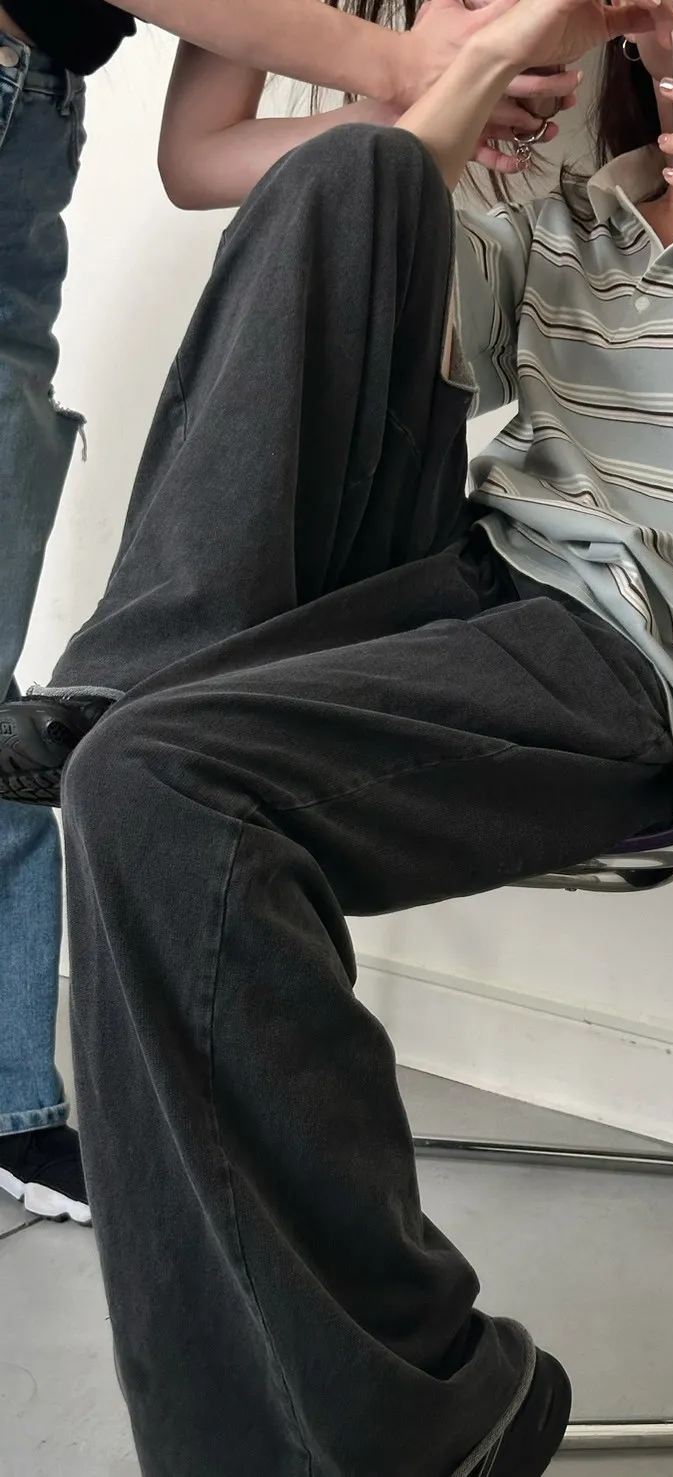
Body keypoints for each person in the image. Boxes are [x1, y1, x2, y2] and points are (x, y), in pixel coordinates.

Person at [1, 0, 673, 1469]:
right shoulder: (580, 211)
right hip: (456, 581)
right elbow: (367, 299)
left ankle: (410, 1416)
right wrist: (476, 64)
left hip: (638, 664)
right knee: (356, 174)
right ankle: (139, 671)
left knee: (149, 789)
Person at [0, 0, 580, 1225]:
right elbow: (209, 158)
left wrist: (442, 93)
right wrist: (418, 87)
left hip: (505, 452)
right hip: (345, 380)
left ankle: (37, 1100)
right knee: (128, 756)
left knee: (128, 746)